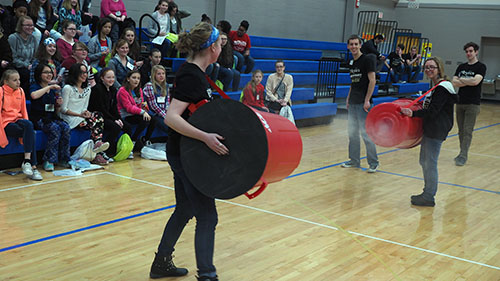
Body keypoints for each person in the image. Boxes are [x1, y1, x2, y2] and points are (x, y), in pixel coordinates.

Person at [150, 22, 224, 281]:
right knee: (207, 215)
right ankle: (207, 275)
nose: (221, 48)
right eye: (220, 43)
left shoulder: (198, 74)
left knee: (184, 209)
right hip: (186, 156)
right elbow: (171, 117)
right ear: (212, 47)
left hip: (185, 153)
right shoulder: (190, 74)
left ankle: (161, 263)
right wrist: (206, 138)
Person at [401, 57, 457, 206]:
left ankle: (429, 195)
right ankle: (427, 192)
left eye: (432, 67)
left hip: (436, 129)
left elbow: (432, 111)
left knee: (429, 163)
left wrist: (413, 114)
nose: (429, 70)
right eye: (426, 67)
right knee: (424, 161)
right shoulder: (436, 86)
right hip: (432, 128)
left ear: (439, 68)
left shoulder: (442, 88)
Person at [58, 63, 110, 165]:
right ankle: (98, 150)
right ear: (75, 73)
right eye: (81, 72)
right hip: (69, 118)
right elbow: (63, 109)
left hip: (81, 118)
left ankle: (97, 147)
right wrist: (79, 115)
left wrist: (86, 113)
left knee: (97, 116)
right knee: (94, 122)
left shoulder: (87, 89)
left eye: (86, 72)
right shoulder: (68, 88)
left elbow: (84, 108)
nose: (84, 75)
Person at [341, 35, 379, 173]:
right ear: (348, 46)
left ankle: (373, 163)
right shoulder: (352, 63)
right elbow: (354, 83)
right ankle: (354, 160)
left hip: (364, 104)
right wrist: (348, 98)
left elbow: (372, 81)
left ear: (360, 45)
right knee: (352, 133)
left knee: (366, 134)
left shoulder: (367, 59)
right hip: (353, 103)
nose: (353, 47)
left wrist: (367, 100)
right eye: (351, 44)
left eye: (356, 44)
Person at [0, 69, 42, 180]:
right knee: (31, 133)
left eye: (18, 79)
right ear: (6, 81)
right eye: (14, 80)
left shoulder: (21, 91)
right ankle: (33, 166)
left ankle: (27, 161)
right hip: (5, 123)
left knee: (29, 126)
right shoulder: (1, 91)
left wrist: (28, 126)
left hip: (18, 120)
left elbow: (24, 111)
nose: (18, 82)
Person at [29, 62, 71, 171]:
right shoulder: (35, 86)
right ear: (39, 74)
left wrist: (58, 104)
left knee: (65, 127)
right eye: (46, 72)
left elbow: (52, 109)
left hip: (50, 117)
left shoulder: (51, 91)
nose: (49, 75)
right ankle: (48, 160)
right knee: (55, 128)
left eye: (50, 73)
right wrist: (50, 86)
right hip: (38, 119)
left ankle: (63, 158)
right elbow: (33, 96)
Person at [451, 42, 486, 166]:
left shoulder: (481, 67)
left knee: (467, 130)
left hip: (473, 103)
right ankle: (462, 152)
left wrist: (461, 80)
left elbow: (476, 81)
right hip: (460, 102)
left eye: (471, 51)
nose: (468, 53)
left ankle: (463, 155)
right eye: (466, 51)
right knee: (461, 130)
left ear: (476, 52)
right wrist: (468, 81)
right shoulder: (461, 67)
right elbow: (454, 82)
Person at [88, 67, 131, 160]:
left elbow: (114, 108)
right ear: (102, 78)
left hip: (109, 116)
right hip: (98, 117)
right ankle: (103, 151)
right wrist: (114, 120)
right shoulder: (97, 89)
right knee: (115, 127)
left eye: (113, 77)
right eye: (108, 77)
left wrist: (118, 118)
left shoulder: (113, 90)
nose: (111, 80)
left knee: (127, 126)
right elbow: (101, 108)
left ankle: (122, 149)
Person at [116, 70, 154, 152]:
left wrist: (144, 109)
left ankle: (146, 140)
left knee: (153, 119)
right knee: (145, 120)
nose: (136, 80)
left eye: (138, 78)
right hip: (125, 115)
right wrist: (142, 112)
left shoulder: (139, 90)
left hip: (135, 114)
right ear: (128, 79)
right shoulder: (122, 90)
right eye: (134, 78)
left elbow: (140, 105)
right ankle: (133, 140)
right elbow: (128, 107)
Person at [8, 15, 38, 96]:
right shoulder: (13, 38)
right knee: (27, 75)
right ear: (20, 26)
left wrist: (32, 65)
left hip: (30, 67)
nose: (30, 27)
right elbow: (13, 58)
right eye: (27, 25)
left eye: (31, 25)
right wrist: (26, 65)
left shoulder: (33, 38)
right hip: (17, 67)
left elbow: (35, 56)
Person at [143, 64, 169, 134]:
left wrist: (168, 114)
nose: (161, 75)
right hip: (153, 113)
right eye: (159, 74)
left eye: (163, 73)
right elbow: (153, 106)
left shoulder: (166, 85)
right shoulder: (149, 86)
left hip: (162, 112)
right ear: (154, 75)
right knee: (169, 127)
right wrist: (165, 116)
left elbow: (167, 102)